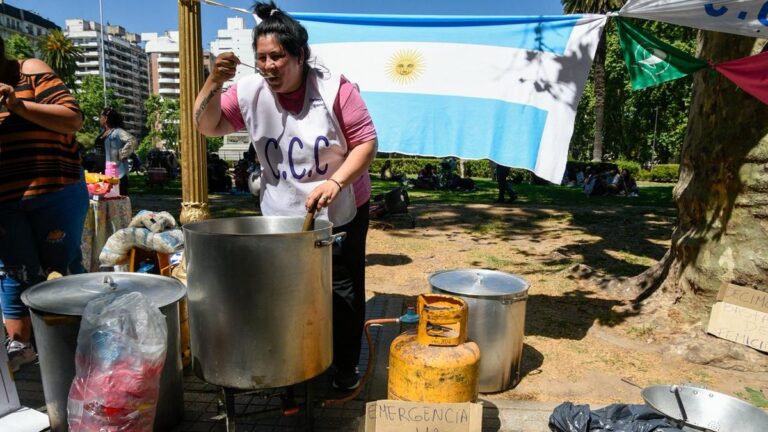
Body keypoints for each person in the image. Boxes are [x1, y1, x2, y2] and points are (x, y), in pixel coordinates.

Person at [192, 1, 377, 391]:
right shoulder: (249, 91)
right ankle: (294, 363)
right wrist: (212, 82)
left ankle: (343, 368)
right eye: (261, 57)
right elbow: (206, 125)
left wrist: (336, 182)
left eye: (277, 56)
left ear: (300, 56)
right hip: (284, 210)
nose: (268, 65)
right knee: (286, 290)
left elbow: (366, 143)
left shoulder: (334, 88)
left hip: (342, 206)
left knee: (341, 289)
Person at [0, 35, 87, 372]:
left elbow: (72, 118)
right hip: (5, 202)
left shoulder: (28, 72)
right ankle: (21, 350)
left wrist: (18, 106)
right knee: (15, 273)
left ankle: (76, 346)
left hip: (56, 192)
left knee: (61, 270)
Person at [97, 107, 136, 195]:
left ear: (105, 118)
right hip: (102, 176)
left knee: (117, 203)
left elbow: (132, 140)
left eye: (100, 117)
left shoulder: (117, 132)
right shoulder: (103, 133)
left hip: (116, 176)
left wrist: (121, 154)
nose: (99, 119)